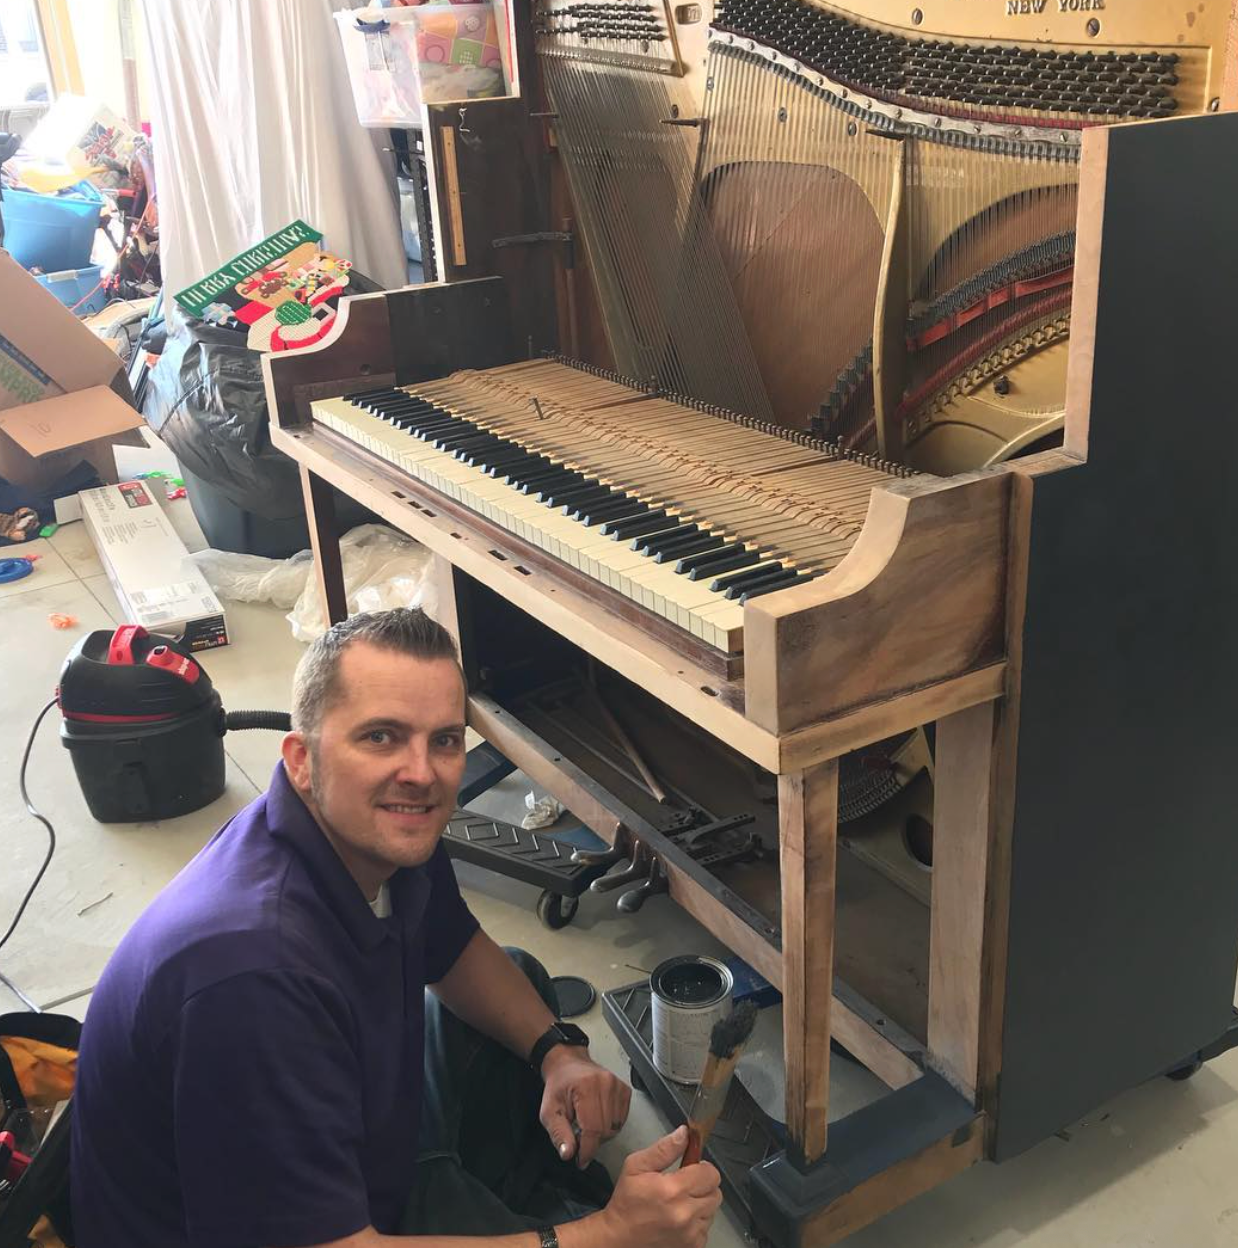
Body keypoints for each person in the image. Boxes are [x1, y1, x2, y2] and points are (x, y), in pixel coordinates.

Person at [71, 608, 722, 1248]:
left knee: (515, 981)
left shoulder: (377, 828)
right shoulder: (250, 976)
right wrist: (604, 1236)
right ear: (302, 758)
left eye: (443, 739)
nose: (422, 772)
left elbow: (452, 945)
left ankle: (486, 1202)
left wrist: (560, 1053)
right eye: (380, 736)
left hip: (349, 1136)